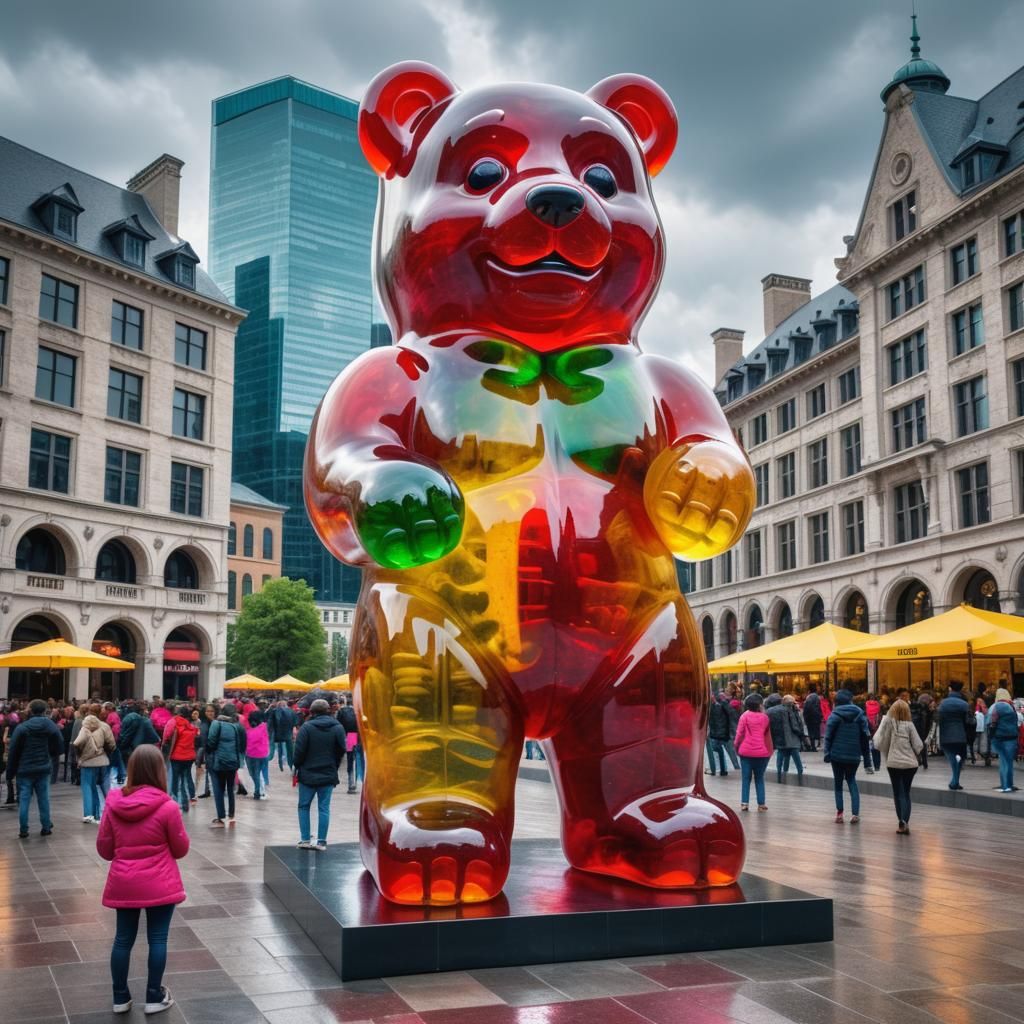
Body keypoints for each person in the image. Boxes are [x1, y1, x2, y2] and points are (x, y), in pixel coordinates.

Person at [98, 745, 187, 1016]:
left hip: (124, 881)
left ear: (132, 769)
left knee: (122, 939)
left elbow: (104, 850)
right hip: (160, 881)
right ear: (160, 771)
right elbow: (181, 849)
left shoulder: (113, 804)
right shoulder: (168, 806)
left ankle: (120, 996)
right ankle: (153, 996)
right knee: (158, 938)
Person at [293, 698, 346, 850]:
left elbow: (299, 751)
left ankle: (305, 839)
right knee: (324, 807)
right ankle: (321, 841)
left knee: (304, 806)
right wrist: (334, 765)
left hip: (308, 774)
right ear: (328, 710)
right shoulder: (337, 727)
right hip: (328, 772)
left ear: (312, 712)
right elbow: (342, 749)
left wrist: (297, 766)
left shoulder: (306, 727)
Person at [6, 699, 64, 838]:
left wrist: (10, 772)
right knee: (43, 799)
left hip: (24, 768)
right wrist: (51, 753)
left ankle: (23, 829)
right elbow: (59, 742)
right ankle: (46, 827)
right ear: (44, 710)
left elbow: (13, 751)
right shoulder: (49, 724)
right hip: (43, 767)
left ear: (30, 710)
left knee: (24, 799)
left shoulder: (22, 727)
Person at [874, 698, 923, 833]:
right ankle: (905, 821)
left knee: (897, 793)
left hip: (894, 763)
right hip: (910, 765)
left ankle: (901, 822)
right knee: (906, 793)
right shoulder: (910, 725)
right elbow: (919, 745)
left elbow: (878, 743)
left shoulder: (889, 724)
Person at [823, 690, 870, 824]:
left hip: (837, 755)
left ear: (837, 702)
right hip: (854, 755)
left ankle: (839, 814)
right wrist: (867, 760)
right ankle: (855, 814)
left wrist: (827, 753)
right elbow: (865, 736)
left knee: (838, 783)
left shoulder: (834, 715)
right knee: (851, 780)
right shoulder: (860, 714)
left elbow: (828, 737)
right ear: (850, 700)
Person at [205, 704, 247, 827]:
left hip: (218, 761)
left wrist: (209, 753)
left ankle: (221, 818)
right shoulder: (238, 726)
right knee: (230, 788)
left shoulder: (216, 723)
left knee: (218, 789)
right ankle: (231, 815)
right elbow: (243, 745)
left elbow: (211, 741)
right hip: (233, 761)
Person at [74, 705, 116, 823]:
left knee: (88, 787)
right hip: (102, 760)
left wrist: (79, 756)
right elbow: (112, 744)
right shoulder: (105, 726)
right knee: (104, 786)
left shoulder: (84, 727)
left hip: (87, 761)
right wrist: (106, 752)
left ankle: (89, 814)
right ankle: (111, 810)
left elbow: (77, 743)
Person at [733, 692, 772, 812]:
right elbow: (767, 736)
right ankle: (761, 804)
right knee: (759, 778)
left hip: (746, 752)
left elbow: (739, 734)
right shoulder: (765, 718)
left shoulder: (744, 716)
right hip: (762, 752)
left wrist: (736, 746)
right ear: (759, 705)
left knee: (746, 778)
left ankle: (744, 803)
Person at [937, 680, 973, 791]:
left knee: (952, 757)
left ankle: (955, 781)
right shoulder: (964, 704)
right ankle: (955, 781)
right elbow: (969, 721)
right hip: (961, 735)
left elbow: (938, 718)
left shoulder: (943, 703)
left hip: (946, 735)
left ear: (950, 689)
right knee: (959, 758)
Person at [163, 705, 199, 813]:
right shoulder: (190, 726)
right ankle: (185, 803)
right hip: (189, 757)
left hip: (177, 756)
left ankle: (175, 803)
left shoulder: (173, 722)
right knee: (185, 779)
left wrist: (165, 746)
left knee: (175, 780)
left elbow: (166, 736)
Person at [987, 688, 1020, 793]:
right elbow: (1017, 722)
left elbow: (990, 722)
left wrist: (991, 736)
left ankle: (1004, 784)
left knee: (1003, 761)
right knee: (1009, 762)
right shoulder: (1011, 707)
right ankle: (1009, 784)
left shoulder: (994, 707)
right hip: (1011, 737)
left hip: (999, 737)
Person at [338, 697, 363, 792]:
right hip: (360, 737)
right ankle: (358, 782)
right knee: (358, 759)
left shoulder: (342, 711)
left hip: (349, 736)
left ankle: (351, 783)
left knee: (350, 758)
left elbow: (338, 725)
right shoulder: (360, 710)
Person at [245, 709, 270, 800]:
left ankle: (258, 792)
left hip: (255, 755)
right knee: (255, 774)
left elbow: (252, 738)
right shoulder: (263, 727)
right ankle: (259, 791)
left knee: (255, 774)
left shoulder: (262, 727)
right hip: (258, 754)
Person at [705, 692, 731, 778]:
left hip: (717, 733)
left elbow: (721, 720)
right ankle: (721, 770)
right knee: (718, 750)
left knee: (717, 749)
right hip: (716, 732)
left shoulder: (718, 706)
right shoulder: (712, 706)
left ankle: (720, 769)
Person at [268, 700, 296, 772]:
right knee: (289, 751)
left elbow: (270, 723)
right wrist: (293, 732)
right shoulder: (291, 712)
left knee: (279, 748)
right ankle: (290, 766)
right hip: (288, 733)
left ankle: (280, 765)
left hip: (277, 733)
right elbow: (294, 724)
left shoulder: (274, 711)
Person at [911, 693, 934, 770]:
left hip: (916, 728)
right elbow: (926, 722)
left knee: (917, 744)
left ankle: (921, 761)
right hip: (920, 729)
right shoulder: (923, 709)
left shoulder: (916, 707)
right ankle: (923, 762)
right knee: (921, 744)